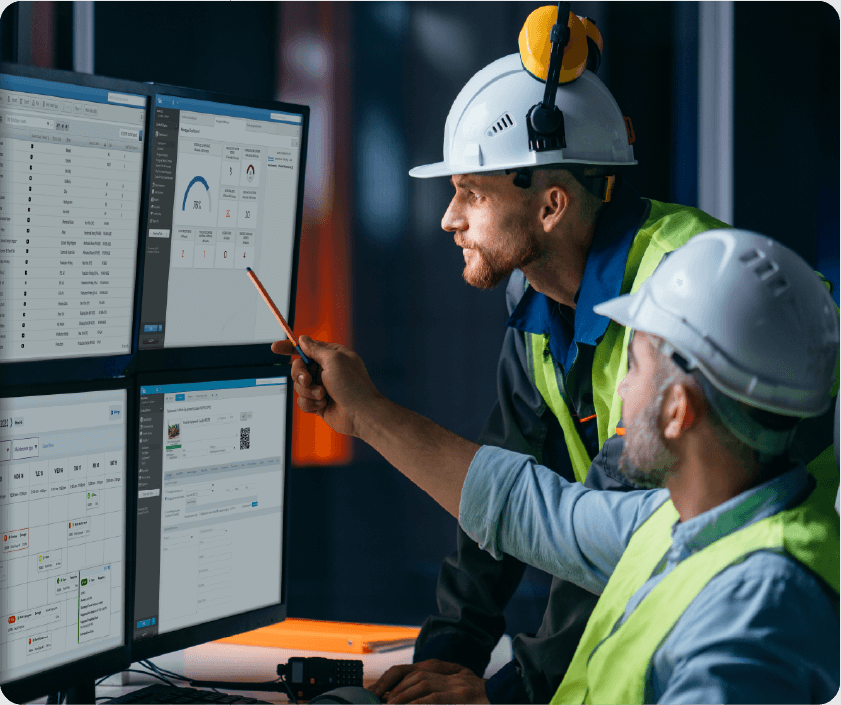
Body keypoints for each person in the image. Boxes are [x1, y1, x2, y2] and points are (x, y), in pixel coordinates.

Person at [282, 7, 839, 705]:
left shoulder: (683, 303)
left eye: (470, 193)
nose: (450, 218)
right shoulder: (540, 304)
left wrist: (507, 691)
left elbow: (582, 537)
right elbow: (512, 498)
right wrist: (447, 655)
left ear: (549, 204)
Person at [275, 228, 841, 704]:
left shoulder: (756, 614)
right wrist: (367, 415)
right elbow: (528, 509)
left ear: (678, 410)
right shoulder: (684, 521)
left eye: (636, 364)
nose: (619, 387)